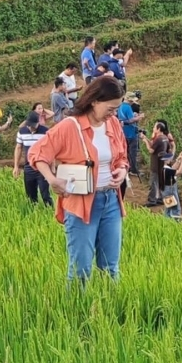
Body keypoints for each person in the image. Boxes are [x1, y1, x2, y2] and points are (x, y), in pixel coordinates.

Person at [28, 76, 128, 282]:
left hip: (110, 201)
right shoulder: (70, 126)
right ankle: (77, 312)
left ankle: (110, 311)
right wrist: (51, 179)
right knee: (80, 270)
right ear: (94, 101)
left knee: (110, 268)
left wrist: (122, 170)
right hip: (81, 203)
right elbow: (37, 154)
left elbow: (122, 157)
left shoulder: (114, 125)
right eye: (110, 108)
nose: (113, 114)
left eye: (116, 109)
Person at [14, 108, 53, 206]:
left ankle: (49, 211)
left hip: (43, 168)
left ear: (38, 122)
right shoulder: (22, 132)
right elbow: (18, 148)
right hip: (28, 167)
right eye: (29, 126)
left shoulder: (45, 131)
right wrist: (16, 166)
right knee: (30, 196)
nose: (31, 128)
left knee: (45, 194)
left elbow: (51, 149)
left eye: (33, 126)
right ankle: (33, 212)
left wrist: (52, 166)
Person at [143, 121, 172, 207]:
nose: (153, 128)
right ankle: (161, 199)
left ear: (158, 129)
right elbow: (168, 150)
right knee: (160, 182)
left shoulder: (158, 138)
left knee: (153, 183)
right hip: (162, 164)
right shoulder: (165, 138)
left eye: (155, 127)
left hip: (155, 164)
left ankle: (152, 200)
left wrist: (145, 142)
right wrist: (146, 139)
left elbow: (151, 150)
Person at [117, 92, 143, 175]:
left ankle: (126, 167)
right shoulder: (128, 107)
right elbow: (131, 120)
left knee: (126, 151)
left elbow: (124, 118)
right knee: (133, 152)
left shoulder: (120, 106)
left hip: (123, 132)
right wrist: (139, 117)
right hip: (131, 132)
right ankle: (133, 169)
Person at [161, 151, 182, 218]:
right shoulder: (166, 170)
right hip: (170, 191)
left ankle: (166, 222)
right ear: (165, 160)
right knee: (175, 209)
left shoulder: (163, 168)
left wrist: (178, 160)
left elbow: (172, 169)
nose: (170, 159)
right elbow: (179, 171)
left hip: (165, 190)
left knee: (168, 208)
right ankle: (175, 223)